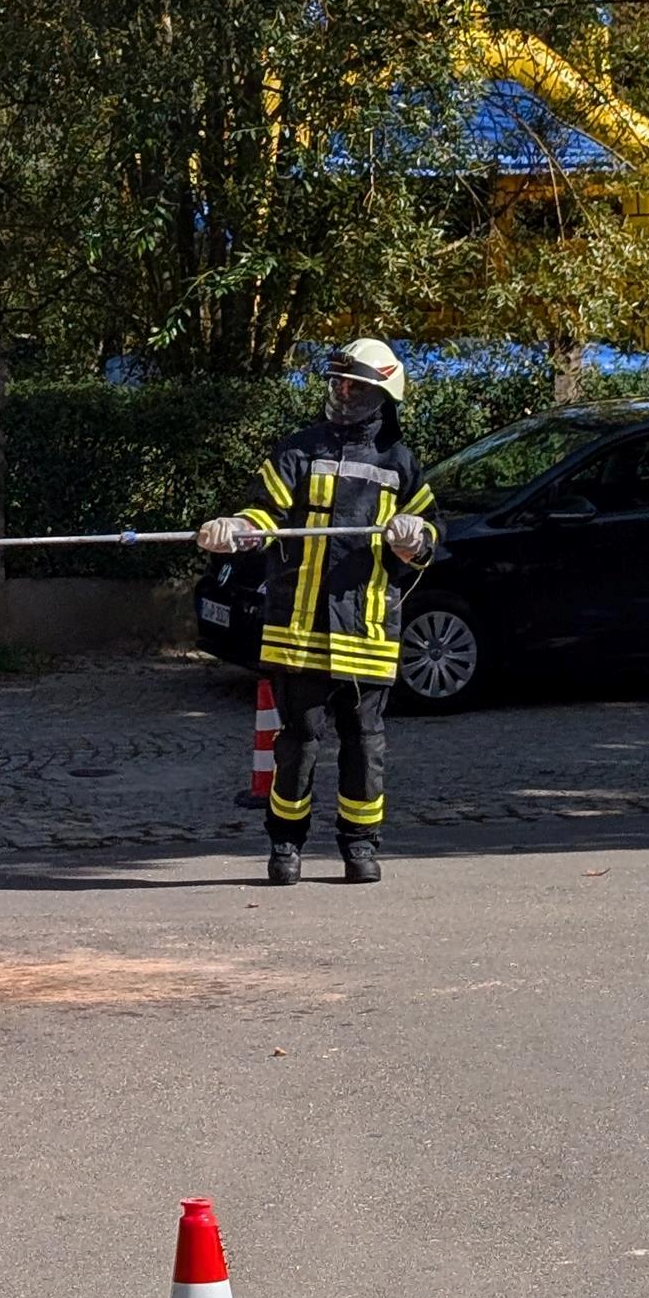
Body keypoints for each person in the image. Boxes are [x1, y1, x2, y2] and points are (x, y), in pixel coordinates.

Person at [196, 337, 438, 888]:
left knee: (364, 745)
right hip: (296, 630)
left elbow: (429, 540)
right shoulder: (296, 450)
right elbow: (263, 511)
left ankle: (360, 847)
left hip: (368, 630)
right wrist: (236, 530)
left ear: (384, 396)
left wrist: (414, 538)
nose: (343, 395)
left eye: (356, 387)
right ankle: (285, 846)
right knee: (296, 745)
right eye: (338, 385)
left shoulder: (400, 464)